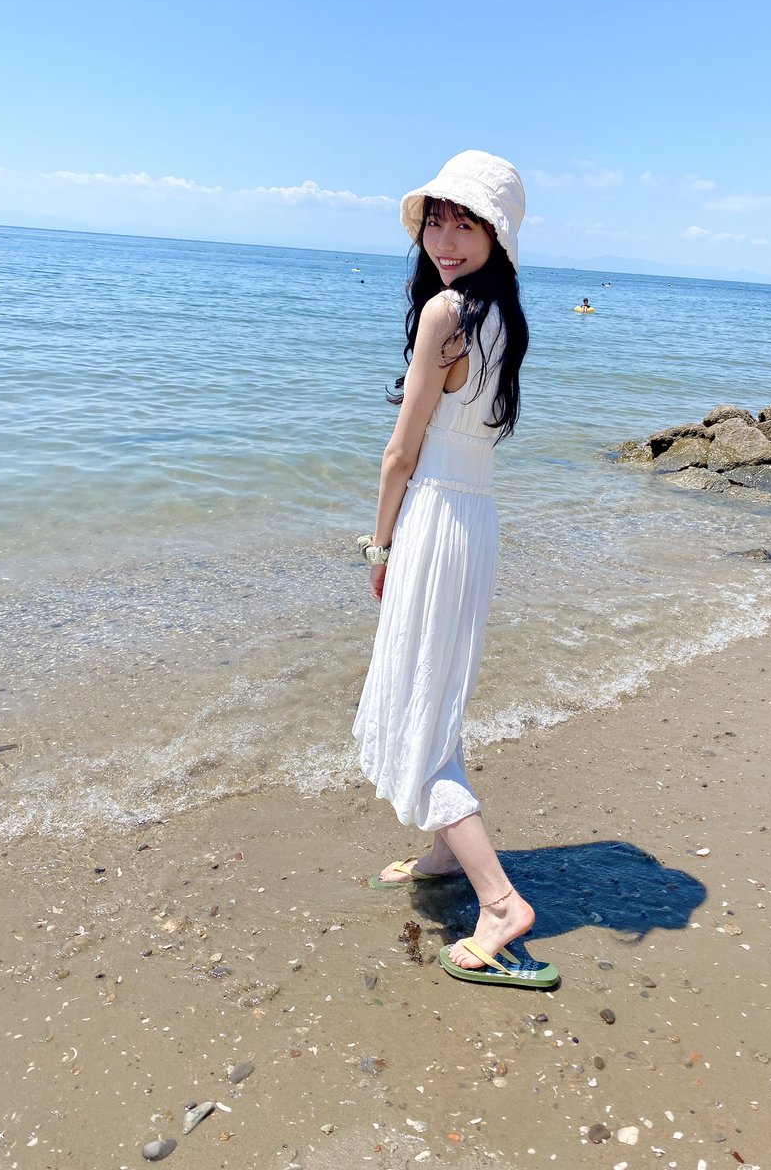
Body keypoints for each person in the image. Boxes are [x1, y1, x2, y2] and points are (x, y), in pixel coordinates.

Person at [353, 150, 559, 990]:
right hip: (475, 520)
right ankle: (445, 849)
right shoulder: (504, 316)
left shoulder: (445, 312)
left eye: (463, 223)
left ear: (494, 235)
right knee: (438, 691)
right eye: (435, 221)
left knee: (419, 701)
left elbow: (400, 454)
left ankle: (500, 902)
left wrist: (378, 546)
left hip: (436, 520)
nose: (444, 239)